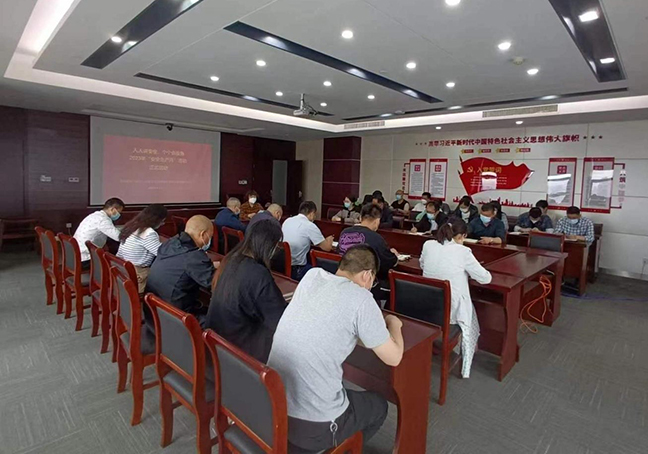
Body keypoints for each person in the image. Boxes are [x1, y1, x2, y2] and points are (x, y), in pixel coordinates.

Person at [268, 245, 404, 451]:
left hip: (274, 406)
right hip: (314, 427)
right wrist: (394, 324)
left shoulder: (312, 276)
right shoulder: (362, 298)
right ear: (367, 275)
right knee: (379, 406)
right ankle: (342, 448)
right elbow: (393, 358)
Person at [207, 220, 286, 363]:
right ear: (268, 246)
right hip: (240, 353)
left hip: (219, 343)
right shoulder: (258, 274)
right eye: (276, 246)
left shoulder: (230, 260)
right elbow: (279, 320)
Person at [419, 220, 492, 377]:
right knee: (470, 314)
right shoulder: (463, 251)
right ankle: (466, 355)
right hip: (451, 311)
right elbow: (485, 278)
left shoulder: (428, 244)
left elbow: (422, 265)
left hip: (427, 305)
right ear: (463, 236)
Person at [145, 215, 216, 323]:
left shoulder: (170, 243)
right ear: (203, 234)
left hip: (153, 314)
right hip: (176, 321)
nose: (210, 240)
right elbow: (215, 283)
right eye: (210, 236)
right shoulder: (193, 256)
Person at [339, 204, 399, 296]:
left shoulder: (344, 232)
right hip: (366, 285)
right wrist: (394, 255)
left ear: (360, 218)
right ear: (377, 221)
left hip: (343, 280)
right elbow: (389, 263)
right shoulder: (376, 238)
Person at [117, 204, 168, 293]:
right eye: (162, 221)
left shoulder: (132, 226)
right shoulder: (149, 233)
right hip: (138, 273)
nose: (162, 224)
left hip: (123, 268)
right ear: (156, 220)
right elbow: (161, 253)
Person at [282, 201, 334, 281]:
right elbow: (327, 248)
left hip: (283, 265)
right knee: (323, 275)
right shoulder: (309, 225)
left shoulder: (287, 221)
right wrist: (329, 240)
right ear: (312, 213)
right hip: (297, 269)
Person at [74, 198, 125, 269]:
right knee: (114, 260)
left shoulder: (95, 215)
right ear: (113, 209)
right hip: (85, 259)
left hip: (76, 254)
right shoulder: (103, 220)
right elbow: (119, 237)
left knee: (111, 244)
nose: (119, 215)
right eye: (119, 212)